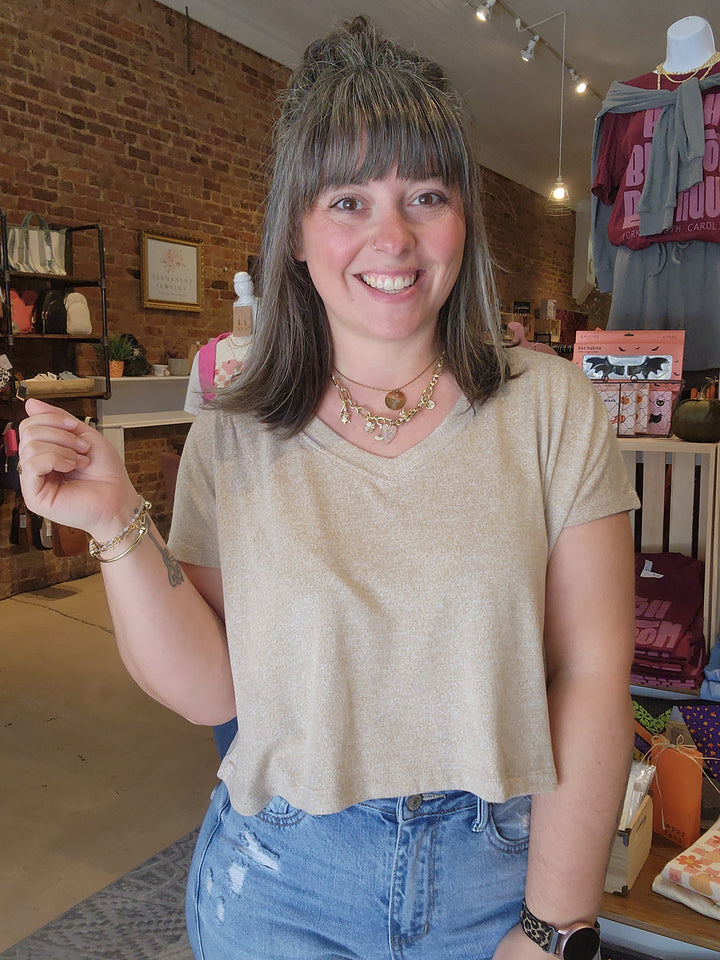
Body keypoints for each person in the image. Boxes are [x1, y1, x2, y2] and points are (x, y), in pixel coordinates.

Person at [18, 16, 639, 960]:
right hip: (280, 883)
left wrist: (554, 926)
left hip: (498, 874)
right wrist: (115, 524)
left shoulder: (550, 407)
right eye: (347, 200)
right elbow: (209, 688)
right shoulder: (236, 423)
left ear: (461, 221)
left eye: (425, 194)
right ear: (297, 234)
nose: (391, 236)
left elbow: (591, 672)